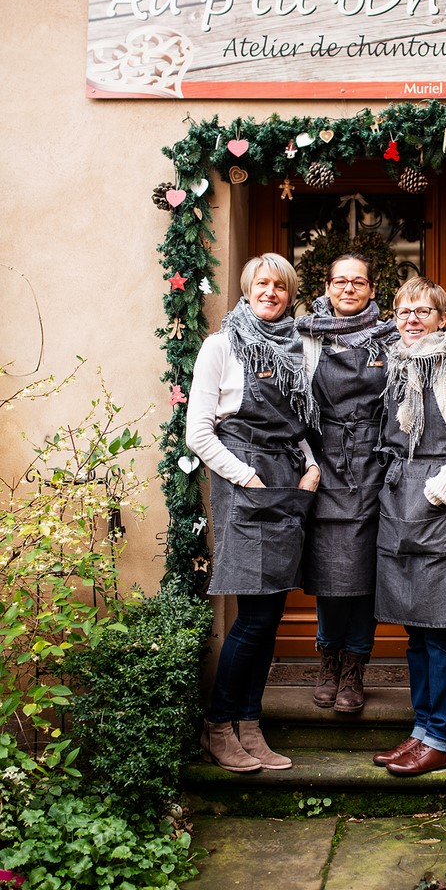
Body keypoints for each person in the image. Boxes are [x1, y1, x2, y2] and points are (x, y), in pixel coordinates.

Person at [186, 253, 320, 773]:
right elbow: (199, 433)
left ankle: (249, 726)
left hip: (288, 483)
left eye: (280, 286)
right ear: (246, 289)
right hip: (248, 486)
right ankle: (220, 727)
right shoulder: (221, 346)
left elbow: (300, 423)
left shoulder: (296, 348)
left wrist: (311, 467)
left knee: (269, 617)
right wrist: (246, 477)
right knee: (255, 618)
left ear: (290, 295)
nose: (271, 292)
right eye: (262, 284)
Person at [372, 277, 446, 776]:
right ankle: (423, 731)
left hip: (439, 505)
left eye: (423, 311)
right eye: (403, 311)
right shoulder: (399, 367)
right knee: (416, 626)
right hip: (401, 499)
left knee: (439, 625)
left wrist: (434, 494)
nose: (412, 319)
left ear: (442, 318)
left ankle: (443, 737)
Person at [297, 254, 399, 712]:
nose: (349, 289)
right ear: (327, 286)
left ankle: (355, 670)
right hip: (324, 467)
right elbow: (290, 405)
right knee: (330, 573)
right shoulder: (305, 338)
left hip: (374, 467)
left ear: (372, 289)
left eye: (359, 282)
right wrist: (305, 461)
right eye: (341, 281)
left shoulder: (393, 339)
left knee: (365, 576)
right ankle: (328, 663)